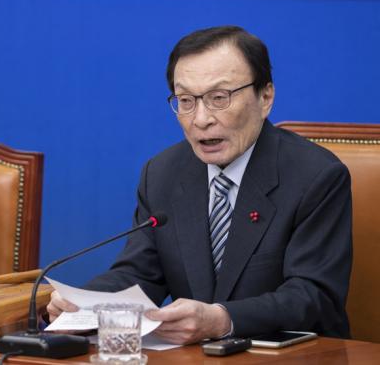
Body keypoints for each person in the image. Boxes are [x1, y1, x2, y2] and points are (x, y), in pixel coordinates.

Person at [47, 25, 352, 344]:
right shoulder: (162, 173)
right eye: (186, 100)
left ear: (265, 97)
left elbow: (314, 296)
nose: (201, 119)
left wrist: (224, 320)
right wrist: (85, 305)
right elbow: (139, 275)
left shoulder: (316, 176)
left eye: (219, 98)